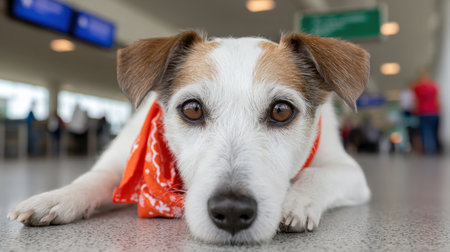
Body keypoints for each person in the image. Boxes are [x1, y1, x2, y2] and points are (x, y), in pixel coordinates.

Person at [412, 68, 441, 155]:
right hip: (434, 113)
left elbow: (415, 101)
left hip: (423, 112)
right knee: (433, 132)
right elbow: (437, 100)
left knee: (426, 132)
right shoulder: (434, 86)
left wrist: (415, 111)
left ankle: (429, 151)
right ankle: (433, 150)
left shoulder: (417, 86)